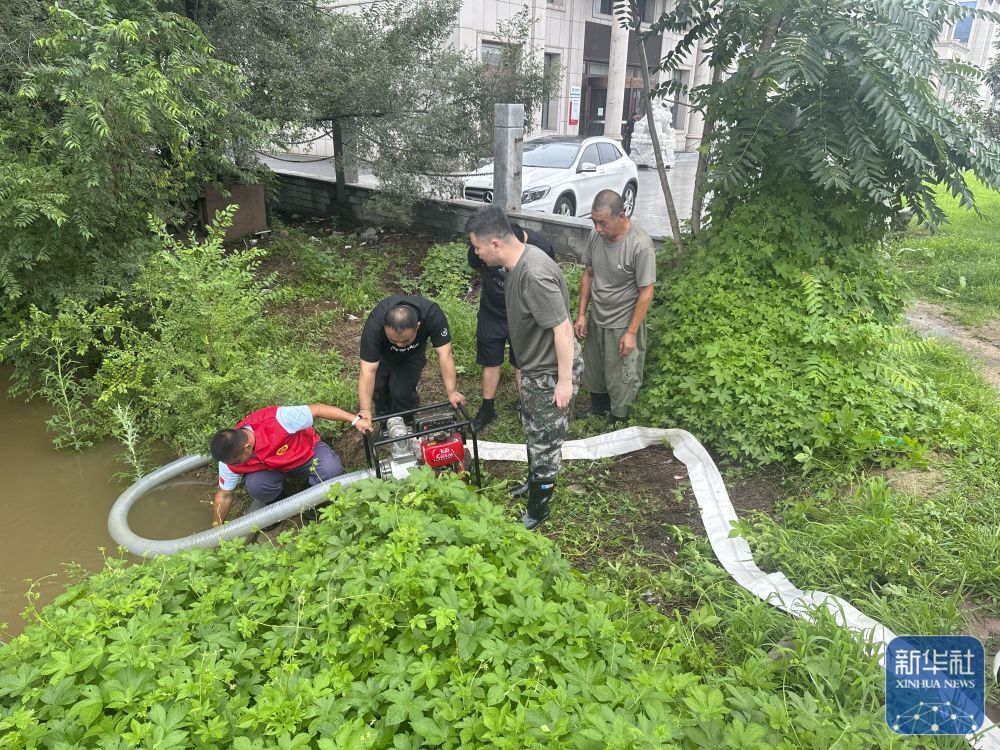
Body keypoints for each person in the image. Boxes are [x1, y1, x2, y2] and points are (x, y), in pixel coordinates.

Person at [466, 205, 583, 530]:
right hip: (535, 369)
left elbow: (562, 328)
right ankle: (533, 485)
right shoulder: (517, 260)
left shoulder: (533, 274)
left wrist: (563, 381)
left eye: (477, 246)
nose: (475, 254)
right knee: (533, 432)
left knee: (545, 443)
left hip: (549, 372)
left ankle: (538, 509)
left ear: (495, 244)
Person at [575, 189, 656, 426]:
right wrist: (581, 315)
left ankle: (619, 418)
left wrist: (631, 333)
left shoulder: (640, 245)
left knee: (622, 374)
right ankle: (598, 408)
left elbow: (646, 291)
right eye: (594, 222)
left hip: (623, 322)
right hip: (597, 316)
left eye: (603, 223)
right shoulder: (596, 236)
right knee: (596, 368)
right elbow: (588, 273)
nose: (598, 228)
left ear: (621, 216)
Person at [209, 404, 366, 527]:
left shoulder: (278, 420)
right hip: (273, 470)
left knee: (331, 470)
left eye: (237, 461)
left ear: (247, 448)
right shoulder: (229, 459)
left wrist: (354, 419)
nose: (234, 465)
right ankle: (281, 508)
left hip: (306, 454)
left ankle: (314, 506)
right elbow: (224, 495)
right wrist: (218, 529)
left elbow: (318, 409)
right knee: (256, 485)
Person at [467, 221, 556, 432]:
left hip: (523, 314)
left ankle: (526, 406)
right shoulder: (484, 244)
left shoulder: (541, 247)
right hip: (492, 312)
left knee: (522, 362)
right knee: (490, 361)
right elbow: (476, 264)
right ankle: (487, 409)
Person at [356, 295, 465, 433]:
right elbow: (368, 371)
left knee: (401, 392)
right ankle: (386, 426)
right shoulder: (374, 325)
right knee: (379, 388)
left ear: (418, 326)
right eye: (393, 340)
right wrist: (365, 409)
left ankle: (407, 425)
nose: (400, 345)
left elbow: (445, 355)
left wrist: (452, 391)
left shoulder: (432, 315)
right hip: (383, 354)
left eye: (405, 340)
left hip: (412, 355)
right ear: (384, 328)